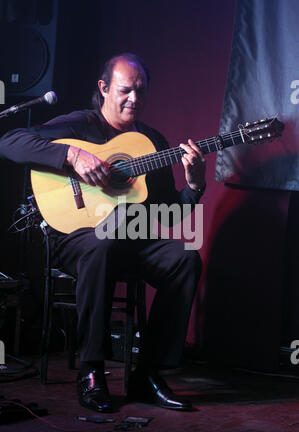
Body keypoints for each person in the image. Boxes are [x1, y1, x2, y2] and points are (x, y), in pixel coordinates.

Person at [0, 53, 206, 412]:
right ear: (104, 88)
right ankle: (91, 370)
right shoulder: (81, 124)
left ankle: (148, 373)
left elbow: (172, 214)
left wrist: (195, 185)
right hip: (76, 235)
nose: (134, 100)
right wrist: (73, 157)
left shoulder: (151, 141)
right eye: (126, 91)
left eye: (141, 92)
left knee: (185, 259)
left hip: (130, 237)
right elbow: (10, 141)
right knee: (102, 243)